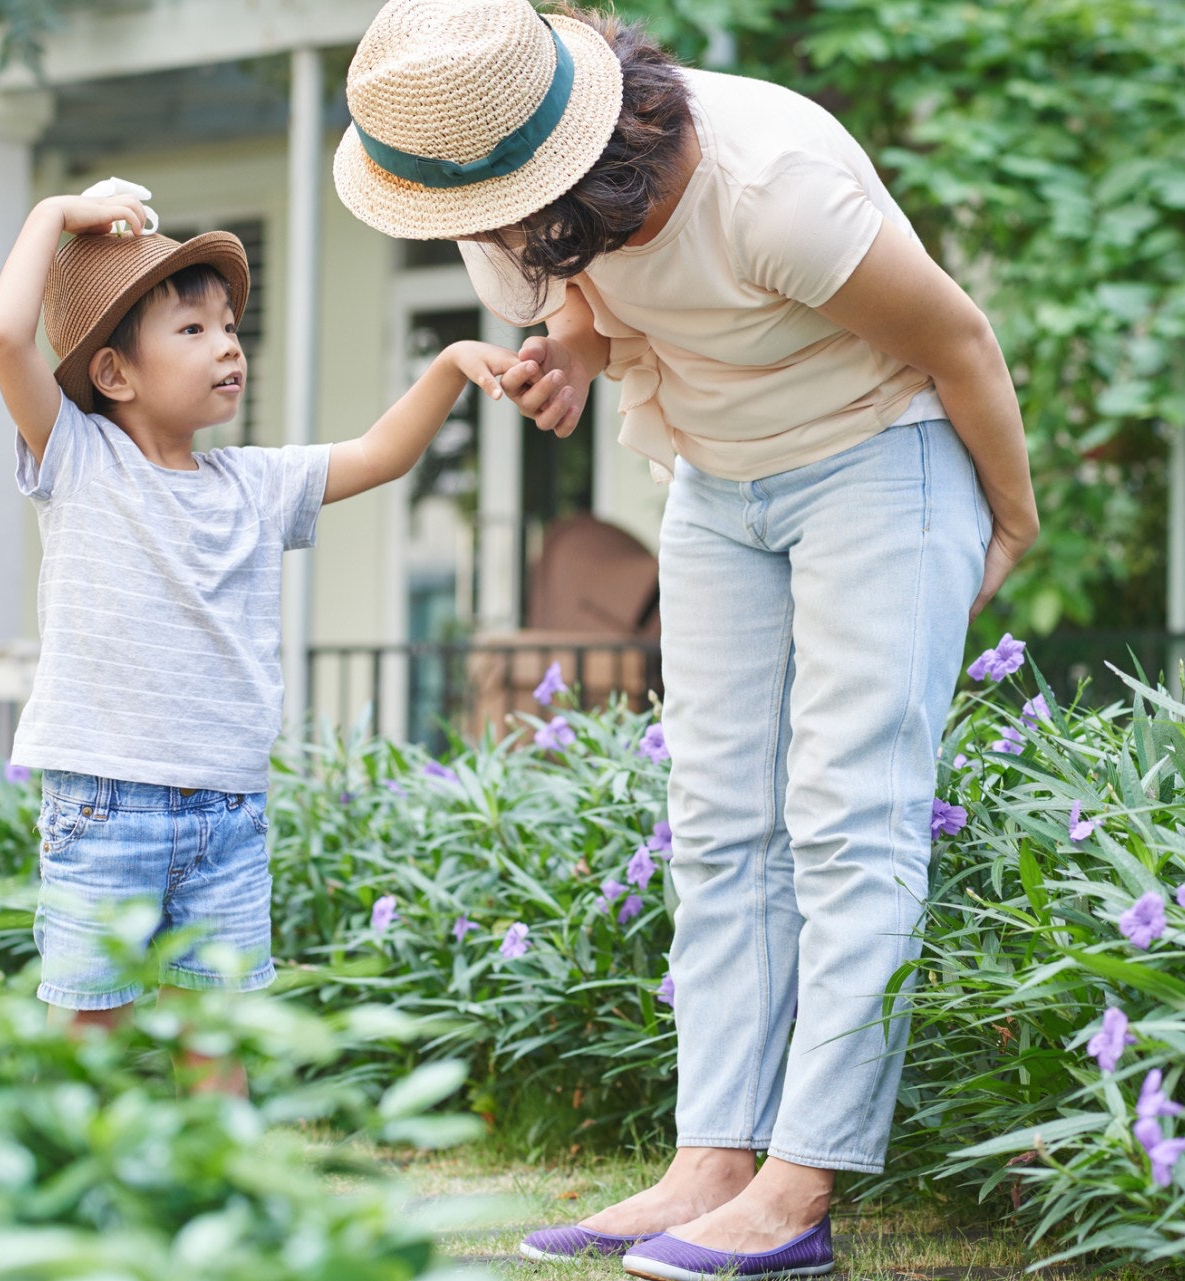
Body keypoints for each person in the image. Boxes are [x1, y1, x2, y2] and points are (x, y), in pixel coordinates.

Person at [334, 2, 1039, 1275]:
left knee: (849, 810)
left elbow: (957, 340)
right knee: (717, 816)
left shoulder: (774, 187)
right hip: (717, 481)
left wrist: (1013, 519)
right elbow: (613, 306)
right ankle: (710, 1160)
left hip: (879, 457)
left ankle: (800, 1186)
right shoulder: (515, 215)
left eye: (506, 215)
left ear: (574, 167)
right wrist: (574, 355)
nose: (487, 245)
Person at [0, 182, 516, 1094]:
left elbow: (380, 455)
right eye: (191, 330)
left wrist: (451, 364)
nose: (227, 344)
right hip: (106, 801)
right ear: (114, 373)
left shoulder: (256, 484)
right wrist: (57, 212)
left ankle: (223, 1206)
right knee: (88, 1030)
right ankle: (69, 1206)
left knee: (217, 1034)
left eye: (230, 325)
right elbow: (4, 334)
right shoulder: (78, 457)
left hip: (228, 811)